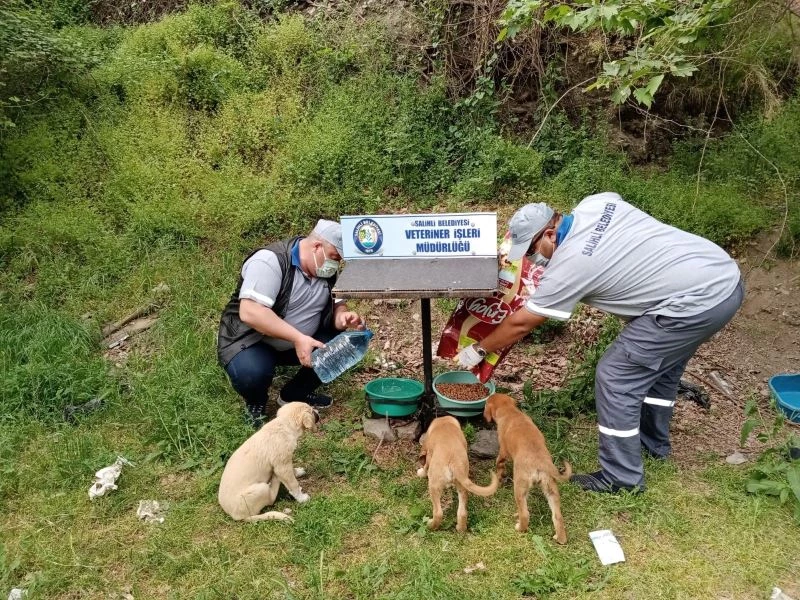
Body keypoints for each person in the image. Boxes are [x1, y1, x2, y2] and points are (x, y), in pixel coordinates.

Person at [456, 192, 744, 493]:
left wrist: (478, 349)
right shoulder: (595, 205)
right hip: (722, 276)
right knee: (662, 367)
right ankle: (653, 445)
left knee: (615, 376)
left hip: (695, 302)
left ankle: (621, 478)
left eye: (530, 251)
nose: (530, 259)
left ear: (551, 234)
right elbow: (613, 198)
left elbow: (521, 323)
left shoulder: (572, 263)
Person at [217, 219, 365, 425]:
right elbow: (251, 312)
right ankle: (256, 402)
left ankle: (294, 394)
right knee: (252, 373)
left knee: (345, 344)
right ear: (316, 246)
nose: (336, 265)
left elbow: (338, 305)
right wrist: (297, 338)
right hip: (253, 341)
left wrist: (343, 318)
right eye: (334, 257)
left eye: (339, 261)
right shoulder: (269, 261)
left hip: (301, 343)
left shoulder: (327, 271)